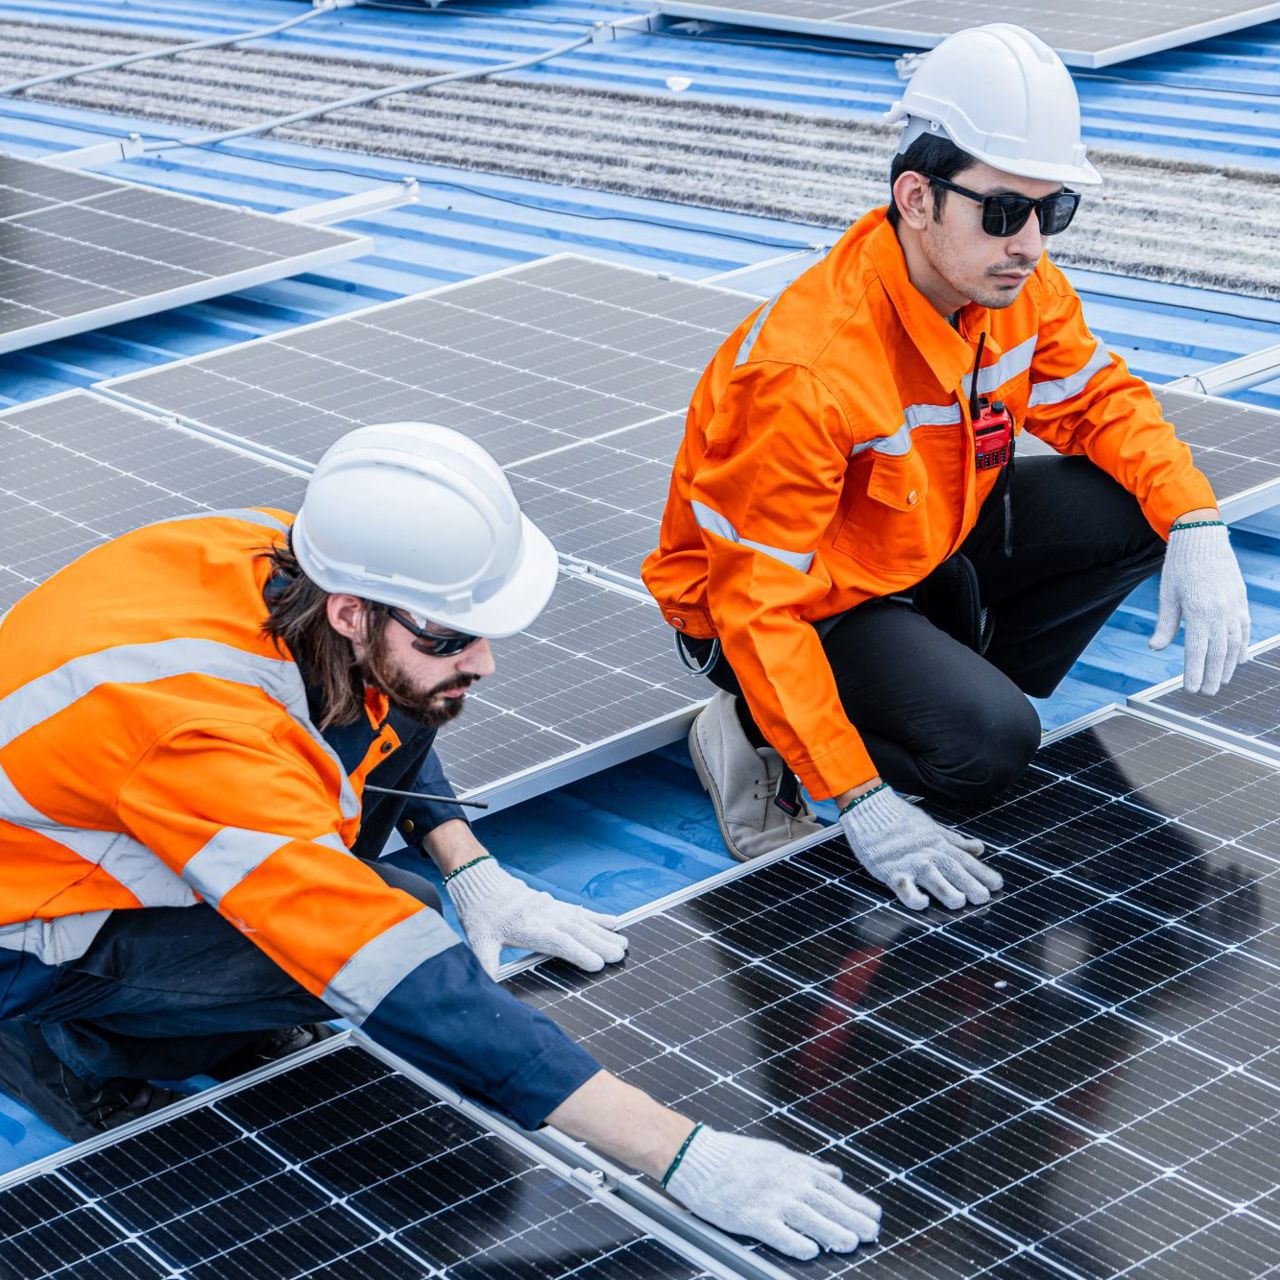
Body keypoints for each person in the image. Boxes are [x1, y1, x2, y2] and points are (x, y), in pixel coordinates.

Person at [0, 422, 879, 1259]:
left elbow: (391, 709)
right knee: (364, 945)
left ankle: (177, 1002)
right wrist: (680, 1154)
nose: (485, 659)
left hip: (118, 808)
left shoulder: (300, 563)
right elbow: (384, 964)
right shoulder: (194, 728)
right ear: (349, 611)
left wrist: (479, 870)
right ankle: (73, 1049)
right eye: (452, 633)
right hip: (32, 917)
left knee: (423, 713)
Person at [642, 23, 1252, 901]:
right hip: (793, 609)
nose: (1033, 242)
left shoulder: (1012, 284)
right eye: (1003, 211)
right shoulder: (808, 371)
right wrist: (856, 797)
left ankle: (935, 682)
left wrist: (1197, 520)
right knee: (991, 750)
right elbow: (757, 605)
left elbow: (1102, 403)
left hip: (914, 541)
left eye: (1055, 211)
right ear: (916, 197)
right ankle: (762, 736)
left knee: (1137, 510)